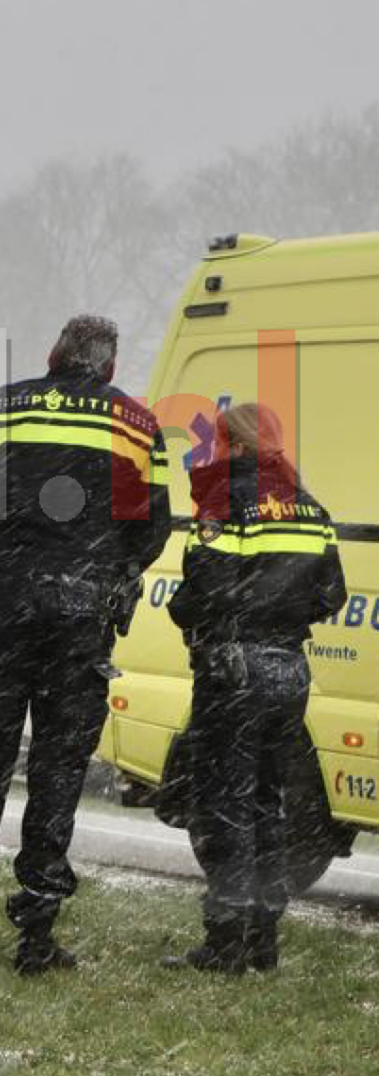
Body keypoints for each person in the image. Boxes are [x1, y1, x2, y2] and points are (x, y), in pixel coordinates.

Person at [0, 314, 172, 974]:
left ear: (54, 355)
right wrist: (101, 572)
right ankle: (35, 936)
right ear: (110, 368)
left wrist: (1, 563)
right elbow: (152, 523)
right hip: (81, 620)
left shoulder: (2, 407)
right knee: (59, 771)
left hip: (6, 613)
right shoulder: (133, 424)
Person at [164, 402, 346, 974]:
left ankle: (224, 943)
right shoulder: (309, 507)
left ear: (234, 445)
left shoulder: (224, 500)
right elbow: (331, 594)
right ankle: (264, 941)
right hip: (289, 672)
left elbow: (204, 589)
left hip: (233, 669)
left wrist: (186, 609)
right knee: (269, 803)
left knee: (225, 805)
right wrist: (282, 614)